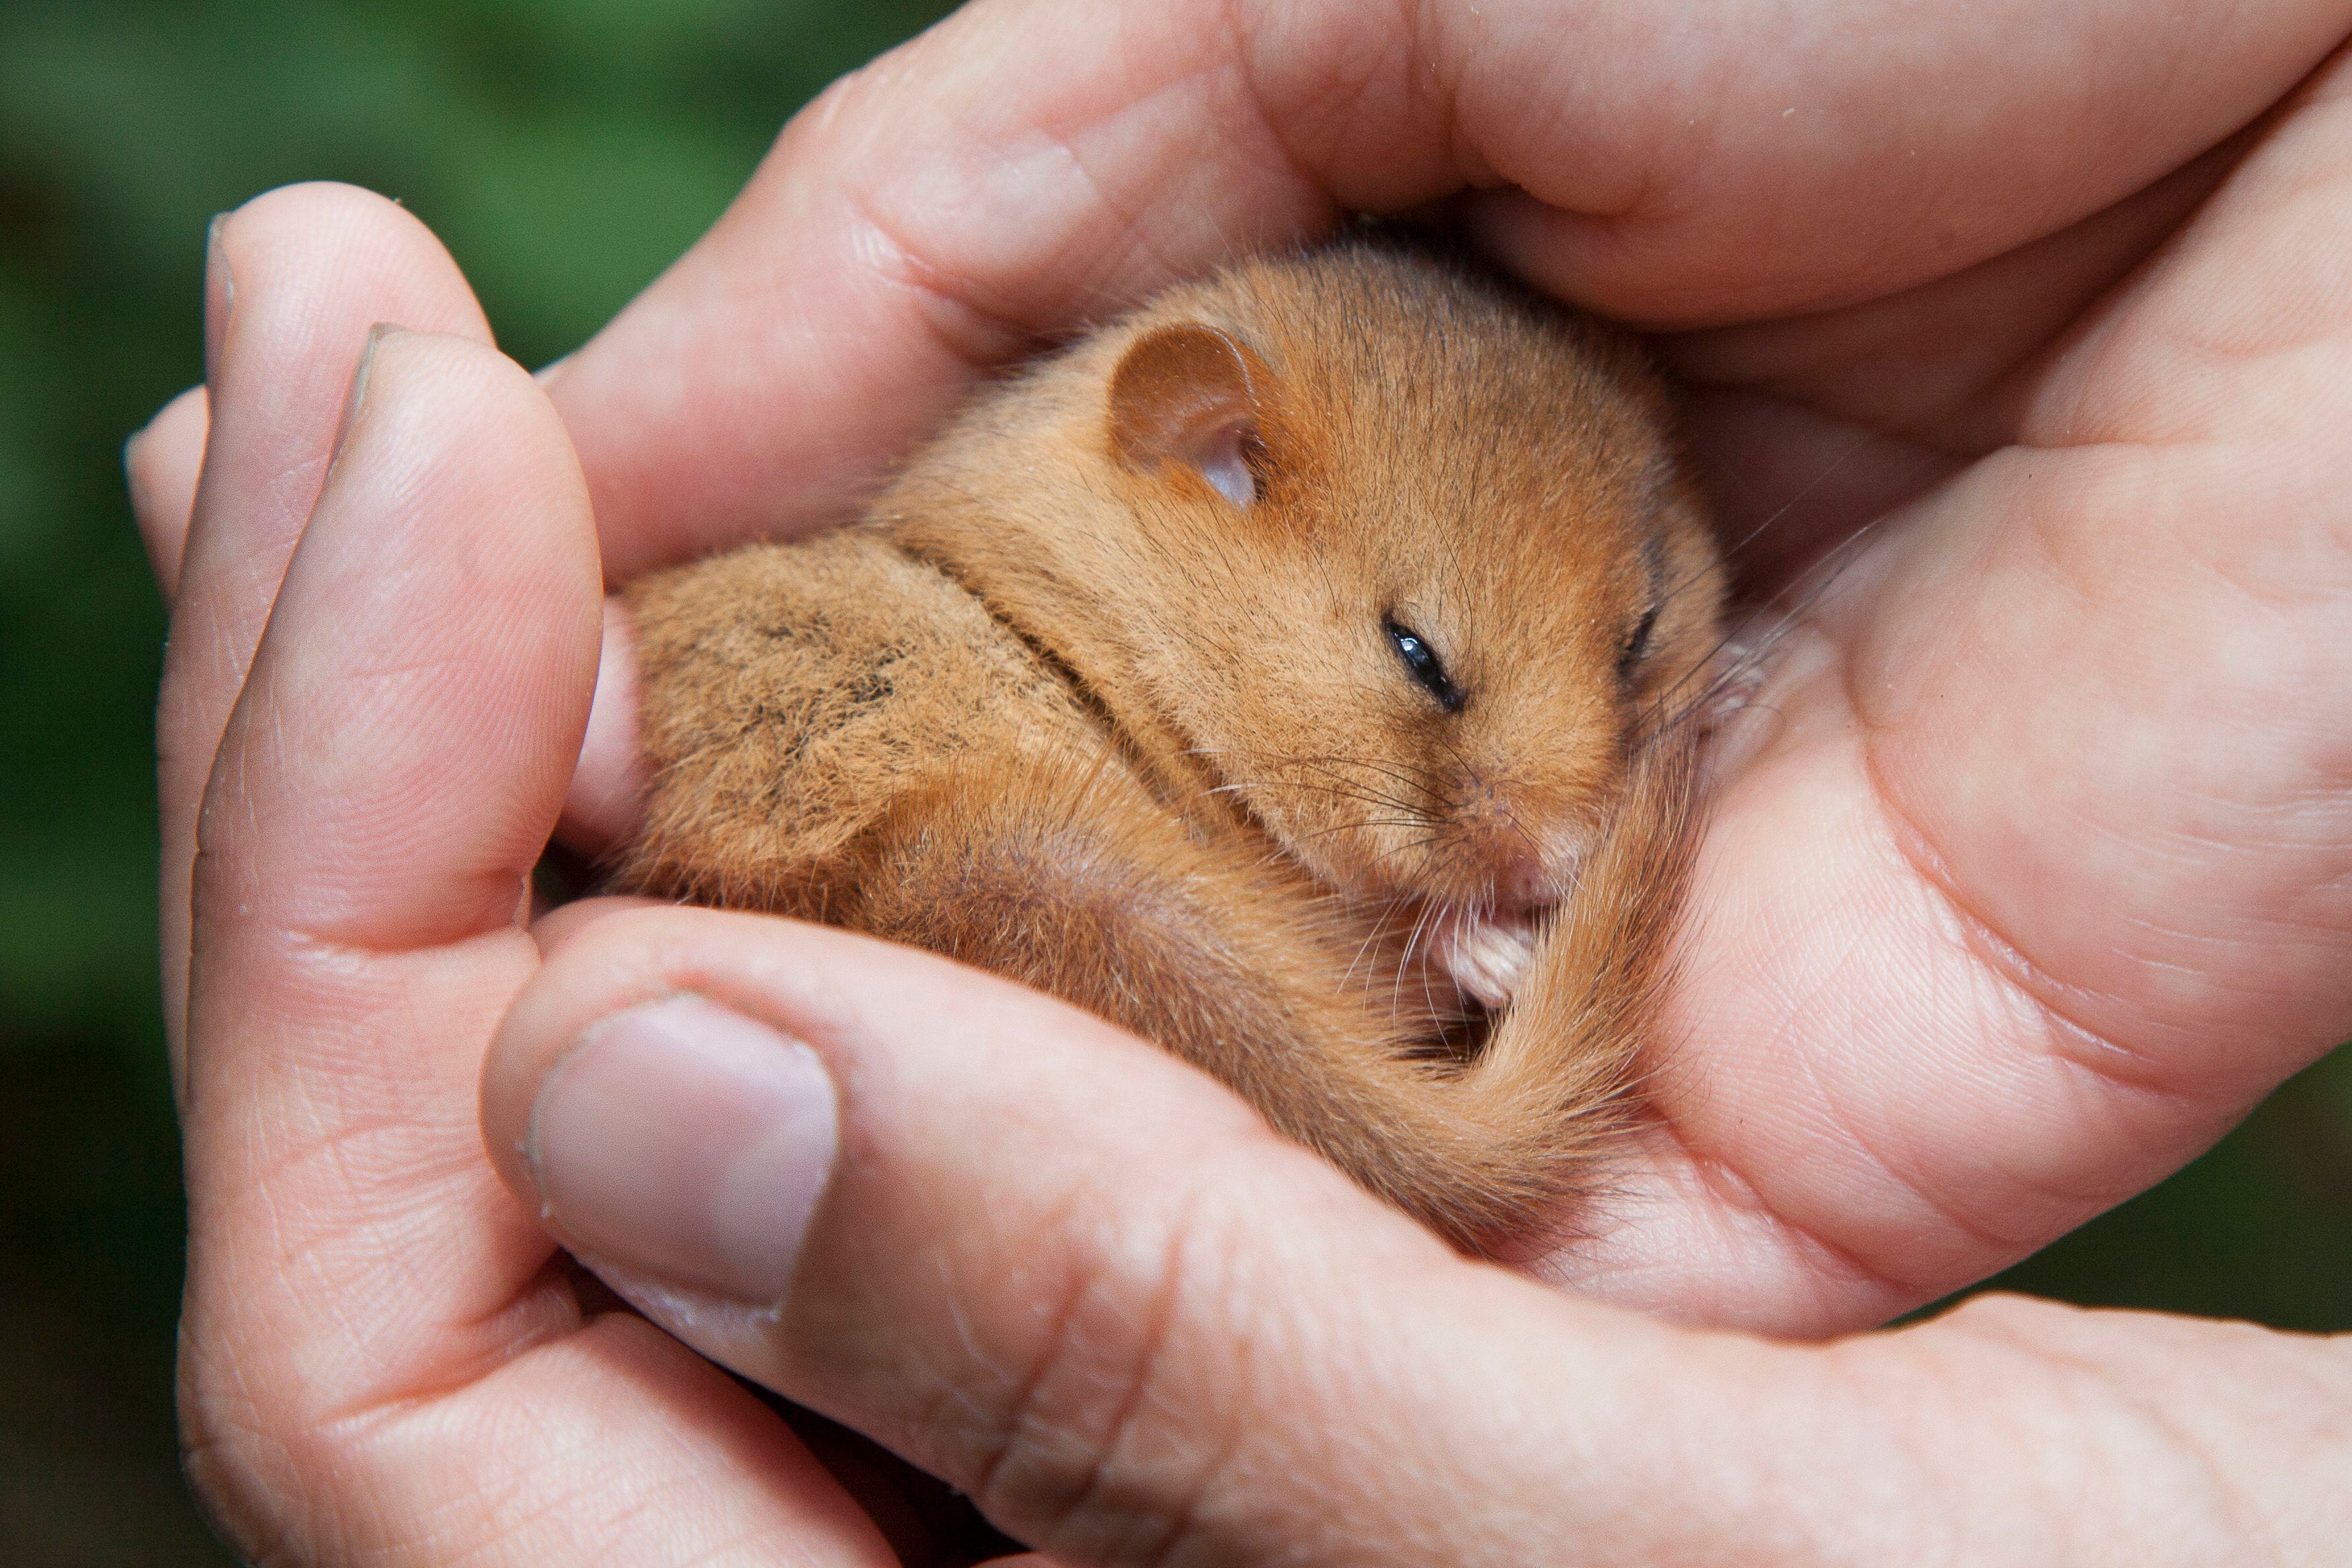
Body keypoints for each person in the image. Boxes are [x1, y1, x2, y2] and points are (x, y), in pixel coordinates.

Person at [127, 0, 2352, 1560]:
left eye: (1641, 656)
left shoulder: (1571, 481)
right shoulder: (1109, 508)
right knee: (1015, 875)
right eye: (1423, 669)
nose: (1559, 807)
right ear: (1210, 454)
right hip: (899, 774)